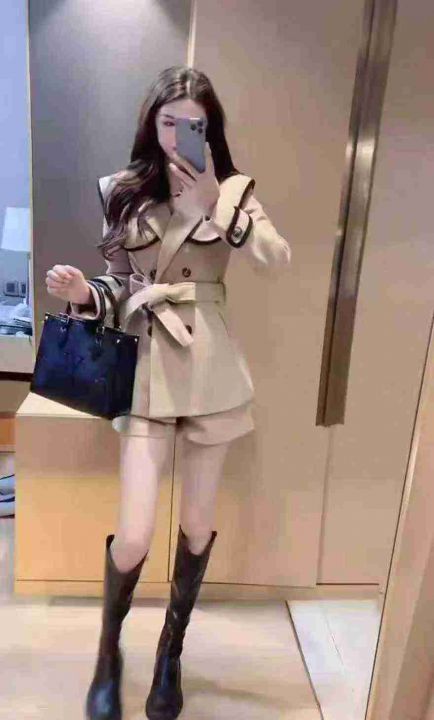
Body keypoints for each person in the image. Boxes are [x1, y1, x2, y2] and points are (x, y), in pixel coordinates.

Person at [45, 65, 291, 720]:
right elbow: (118, 282)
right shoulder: (122, 191)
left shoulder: (233, 190)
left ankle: (169, 654)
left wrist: (217, 205)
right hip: (147, 365)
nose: (179, 133)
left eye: (194, 124)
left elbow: (276, 259)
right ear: (151, 124)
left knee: (197, 525)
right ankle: (108, 654)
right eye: (168, 121)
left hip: (211, 371)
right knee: (133, 534)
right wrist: (85, 293)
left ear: (211, 128)